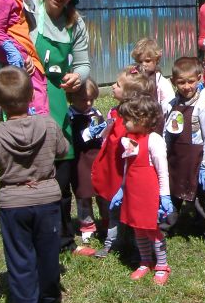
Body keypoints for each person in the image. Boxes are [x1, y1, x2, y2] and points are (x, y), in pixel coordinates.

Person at [0, 67, 67, 303]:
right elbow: (63, 150)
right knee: (48, 253)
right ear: (32, 95)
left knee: (20, 257)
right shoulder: (48, 125)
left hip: (13, 204)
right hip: (48, 200)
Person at [24, 0, 91, 253]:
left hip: (57, 103)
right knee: (28, 174)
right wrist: (14, 62)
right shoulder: (27, 13)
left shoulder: (76, 22)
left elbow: (84, 63)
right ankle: (31, 236)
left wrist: (78, 76)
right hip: (26, 103)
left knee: (62, 174)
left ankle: (64, 239)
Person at [109, 95, 173, 285]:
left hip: (149, 192)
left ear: (142, 119)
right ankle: (145, 261)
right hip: (133, 190)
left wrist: (165, 196)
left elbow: (162, 171)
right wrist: (122, 188)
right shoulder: (130, 139)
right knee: (138, 228)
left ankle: (162, 265)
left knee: (152, 229)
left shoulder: (154, 140)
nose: (124, 123)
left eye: (127, 119)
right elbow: (128, 165)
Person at [90, 66, 153, 258]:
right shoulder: (116, 112)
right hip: (111, 168)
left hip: (125, 172)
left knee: (127, 208)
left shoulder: (133, 122)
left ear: (129, 94)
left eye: (117, 85)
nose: (113, 86)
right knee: (112, 207)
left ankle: (134, 245)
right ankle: (114, 241)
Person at [164, 57, 205, 254]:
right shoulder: (171, 105)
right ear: (174, 82)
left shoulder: (202, 106)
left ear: (199, 78)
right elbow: (166, 133)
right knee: (173, 195)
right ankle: (164, 227)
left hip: (197, 161)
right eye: (181, 82)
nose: (186, 86)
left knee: (203, 199)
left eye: (191, 81)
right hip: (176, 160)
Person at [66, 79, 106, 253]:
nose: (88, 103)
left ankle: (106, 221)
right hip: (80, 159)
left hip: (96, 158)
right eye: (84, 99)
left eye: (91, 99)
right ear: (72, 97)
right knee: (83, 193)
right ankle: (87, 225)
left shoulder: (95, 113)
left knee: (102, 193)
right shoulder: (69, 116)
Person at [131, 38, 175, 115]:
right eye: (140, 61)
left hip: (155, 117)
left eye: (147, 61)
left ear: (156, 60)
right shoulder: (133, 78)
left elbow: (168, 105)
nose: (143, 64)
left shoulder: (161, 82)